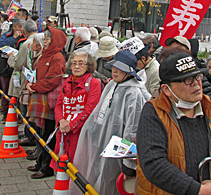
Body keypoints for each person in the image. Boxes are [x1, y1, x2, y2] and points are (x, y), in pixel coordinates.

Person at [137, 52, 211, 195]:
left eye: (197, 77)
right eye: (187, 80)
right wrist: (199, 191)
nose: (196, 83)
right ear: (167, 89)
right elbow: (154, 163)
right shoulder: (154, 113)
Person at [72, 51, 151, 195]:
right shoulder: (114, 84)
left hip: (119, 150)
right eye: (114, 67)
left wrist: (128, 163)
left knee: (114, 183)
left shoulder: (134, 93)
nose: (114, 71)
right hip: (105, 143)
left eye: (120, 69)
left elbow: (133, 130)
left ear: (129, 72)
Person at [26, 27, 67, 179]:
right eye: (45, 40)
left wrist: (35, 86)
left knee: (48, 135)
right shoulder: (45, 55)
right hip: (39, 96)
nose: (45, 43)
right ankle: (40, 162)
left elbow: (53, 81)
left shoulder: (57, 57)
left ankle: (46, 167)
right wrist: (30, 84)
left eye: (48, 40)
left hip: (48, 101)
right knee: (40, 133)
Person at [51, 51, 102, 170]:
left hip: (80, 133)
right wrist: (61, 121)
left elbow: (90, 110)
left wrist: (71, 125)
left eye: (81, 63)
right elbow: (59, 105)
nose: (77, 66)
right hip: (63, 132)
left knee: (78, 168)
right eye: (74, 63)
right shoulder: (67, 82)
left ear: (88, 66)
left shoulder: (93, 83)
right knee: (62, 168)